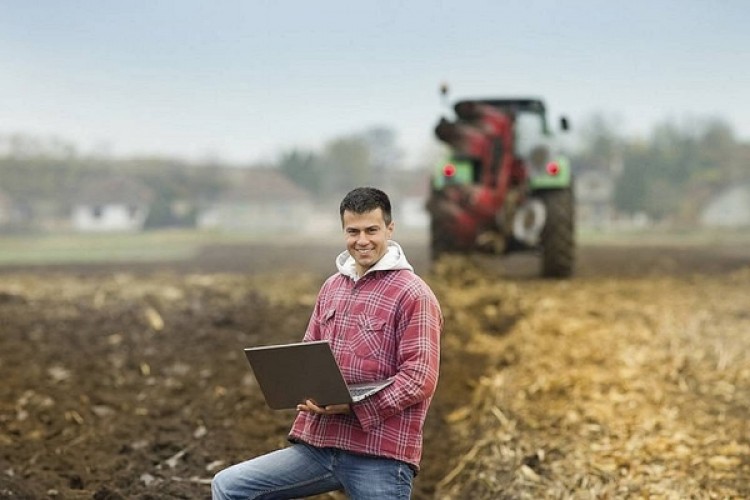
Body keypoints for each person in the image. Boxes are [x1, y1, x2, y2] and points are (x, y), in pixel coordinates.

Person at [212, 187, 443, 499]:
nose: (362, 241)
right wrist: (303, 389)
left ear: (390, 228)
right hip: (318, 447)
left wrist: (352, 407)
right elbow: (308, 353)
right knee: (229, 487)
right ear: (343, 232)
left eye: (371, 230)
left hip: (379, 453)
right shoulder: (332, 287)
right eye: (353, 231)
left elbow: (419, 378)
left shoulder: (413, 294)